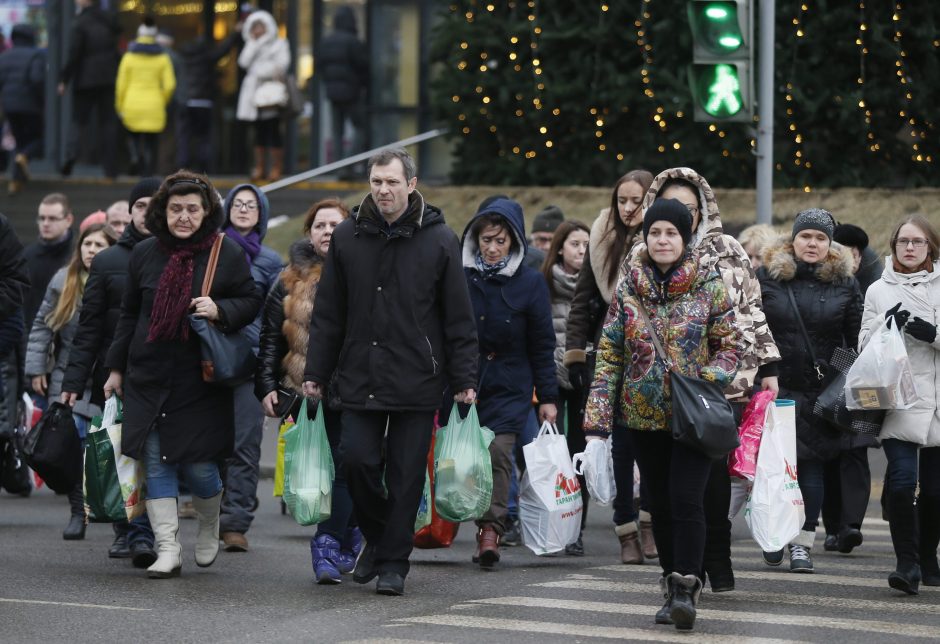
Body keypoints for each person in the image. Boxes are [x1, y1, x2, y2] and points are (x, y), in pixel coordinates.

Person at [302, 148, 478, 596]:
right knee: (357, 460)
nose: (383, 190)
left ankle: (394, 563)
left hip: (417, 376)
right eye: (377, 182)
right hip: (358, 373)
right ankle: (380, 540)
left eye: (392, 182)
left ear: (411, 184)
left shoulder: (439, 239)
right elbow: (329, 313)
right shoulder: (347, 237)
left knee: (405, 475)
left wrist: (464, 379)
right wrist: (315, 373)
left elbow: (458, 317)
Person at [584, 198, 741, 632]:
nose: (663, 239)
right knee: (662, 504)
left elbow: (731, 345)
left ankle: (688, 584)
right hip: (642, 416)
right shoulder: (629, 289)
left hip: (693, 417)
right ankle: (672, 588)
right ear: (646, 237)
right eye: (655, 232)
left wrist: (706, 377)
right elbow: (610, 357)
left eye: (671, 232)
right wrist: (596, 426)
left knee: (688, 499)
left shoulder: (709, 284)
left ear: (684, 238)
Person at [103, 171, 261, 579]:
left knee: (200, 468)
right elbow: (128, 316)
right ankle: (168, 548)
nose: (184, 217)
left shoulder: (224, 253)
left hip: (199, 380)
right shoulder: (145, 254)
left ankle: (209, 523)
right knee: (155, 463)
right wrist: (115, 369)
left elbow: (250, 299)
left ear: (207, 211)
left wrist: (219, 309)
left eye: (193, 209)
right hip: (150, 375)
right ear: (162, 211)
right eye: (176, 209)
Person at [635, 168, 781, 592]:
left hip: (722, 381)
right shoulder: (643, 252)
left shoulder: (728, 249)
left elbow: (752, 308)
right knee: (677, 487)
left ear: (701, 212)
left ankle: (717, 560)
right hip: (660, 388)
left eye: (688, 209)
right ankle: (685, 570)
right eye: (671, 207)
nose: (680, 217)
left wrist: (768, 366)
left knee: (715, 478)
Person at [256, 198, 361, 583]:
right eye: (319, 225)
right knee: (324, 469)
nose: (327, 232)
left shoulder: (364, 273)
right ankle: (328, 543)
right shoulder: (288, 278)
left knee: (351, 465)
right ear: (309, 232)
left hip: (356, 390)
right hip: (307, 393)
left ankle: (344, 532)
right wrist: (266, 385)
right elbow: (270, 338)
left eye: (335, 225)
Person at [757, 208, 863, 573]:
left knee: (812, 471)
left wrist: (835, 373)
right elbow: (753, 328)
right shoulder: (768, 278)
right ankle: (772, 534)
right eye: (806, 236)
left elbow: (856, 338)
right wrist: (764, 371)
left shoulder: (845, 283)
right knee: (773, 469)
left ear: (830, 244)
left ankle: (802, 544)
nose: (813, 243)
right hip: (777, 387)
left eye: (820, 238)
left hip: (822, 393)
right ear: (793, 239)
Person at [62, 177, 161, 565]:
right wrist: (73, 381)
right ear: (131, 212)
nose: (147, 213)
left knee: (152, 458)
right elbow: (87, 328)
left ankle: (143, 533)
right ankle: (131, 532)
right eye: (140, 206)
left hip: (160, 377)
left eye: (155, 206)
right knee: (120, 454)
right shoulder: (107, 261)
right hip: (113, 377)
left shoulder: (176, 257)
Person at [564, 169, 657, 565]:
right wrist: (574, 354)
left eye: (637, 200)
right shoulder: (602, 238)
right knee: (619, 444)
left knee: (652, 442)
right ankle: (626, 530)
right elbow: (582, 299)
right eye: (622, 200)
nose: (629, 207)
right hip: (611, 353)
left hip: (655, 354)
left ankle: (651, 524)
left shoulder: (661, 235)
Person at [460, 198, 558, 569]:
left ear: (514, 242)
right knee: (465, 458)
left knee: (499, 453)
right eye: (486, 240)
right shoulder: (461, 277)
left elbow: (543, 344)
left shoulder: (531, 282)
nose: (492, 248)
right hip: (466, 381)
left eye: (501, 241)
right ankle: (458, 516)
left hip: (511, 383)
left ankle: (491, 529)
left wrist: (547, 396)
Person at [858, 214, 940, 594]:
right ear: (893, 247)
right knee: (903, 484)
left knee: (936, 492)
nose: (909, 248)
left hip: (937, 402)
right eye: (903, 241)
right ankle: (906, 564)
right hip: (898, 400)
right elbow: (862, 347)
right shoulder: (878, 289)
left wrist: (935, 335)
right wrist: (885, 325)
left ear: (930, 246)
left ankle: (927, 557)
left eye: (917, 241)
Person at [26, 223, 117, 539]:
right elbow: (42, 326)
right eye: (87, 244)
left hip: (108, 376)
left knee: (106, 449)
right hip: (68, 376)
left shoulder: (119, 279)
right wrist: (37, 368)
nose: (91, 250)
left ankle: (121, 524)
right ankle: (78, 511)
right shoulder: (63, 280)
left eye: (99, 245)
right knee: (72, 446)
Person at [217, 183, 283, 552]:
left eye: (251, 205)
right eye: (238, 204)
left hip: (250, 361)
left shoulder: (271, 262)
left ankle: (235, 522)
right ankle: (211, 509)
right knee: (209, 442)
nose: (243, 209)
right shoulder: (210, 251)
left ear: (262, 214)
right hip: (210, 357)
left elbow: (276, 319)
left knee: (245, 444)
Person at [540, 219, 590, 554]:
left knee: (580, 454)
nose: (581, 250)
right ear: (560, 248)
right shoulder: (543, 284)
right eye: (575, 244)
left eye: (587, 244)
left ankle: (576, 528)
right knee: (550, 455)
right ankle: (549, 523)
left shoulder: (597, 285)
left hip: (585, 376)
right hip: (550, 378)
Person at [58, 0, 121, 179]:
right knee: (108, 123)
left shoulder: (80, 22)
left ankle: (70, 157)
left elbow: (74, 53)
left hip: (85, 79)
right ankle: (111, 169)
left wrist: (64, 79)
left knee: (78, 120)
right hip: (108, 77)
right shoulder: (110, 20)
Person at [177, 21, 243, 173]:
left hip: (186, 101)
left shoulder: (183, 57)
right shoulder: (206, 56)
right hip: (203, 102)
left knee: (184, 137)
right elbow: (222, 50)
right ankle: (203, 168)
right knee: (203, 138)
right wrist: (235, 33)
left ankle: (183, 166)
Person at [115, 17, 176, 178]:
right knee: (151, 141)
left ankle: (135, 157)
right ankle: (147, 170)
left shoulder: (128, 57)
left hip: (132, 103)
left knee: (133, 136)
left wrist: (120, 106)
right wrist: (163, 100)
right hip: (154, 104)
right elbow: (170, 85)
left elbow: (121, 85)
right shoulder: (163, 58)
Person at [237, 10, 290, 182]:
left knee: (273, 130)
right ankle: (259, 167)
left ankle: (276, 167)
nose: (258, 30)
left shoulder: (279, 44)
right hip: (253, 95)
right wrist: (253, 43)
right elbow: (243, 62)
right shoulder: (251, 43)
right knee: (258, 131)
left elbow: (281, 65)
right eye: (255, 27)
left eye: (260, 26)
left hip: (270, 93)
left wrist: (259, 71)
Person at [319, 6, 368, 169]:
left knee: (337, 132)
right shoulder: (352, 41)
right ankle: (348, 162)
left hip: (333, 93)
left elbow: (320, 67)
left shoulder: (327, 41)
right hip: (351, 93)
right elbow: (362, 66)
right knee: (361, 128)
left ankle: (339, 165)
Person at [0, 24, 45, 196]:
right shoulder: (36, 55)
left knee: (19, 140)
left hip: (10, 107)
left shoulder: (4, 56)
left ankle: (16, 181)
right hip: (31, 106)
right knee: (38, 140)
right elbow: (37, 79)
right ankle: (23, 157)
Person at [23, 194, 75, 337]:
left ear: (68, 220)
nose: (45, 223)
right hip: (31, 335)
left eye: (52, 218)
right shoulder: (27, 256)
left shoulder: (78, 255)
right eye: (42, 218)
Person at [833, 223, 882, 295]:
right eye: (843, 256)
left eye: (853, 256)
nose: (849, 260)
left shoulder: (871, 267)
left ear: (860, 257)